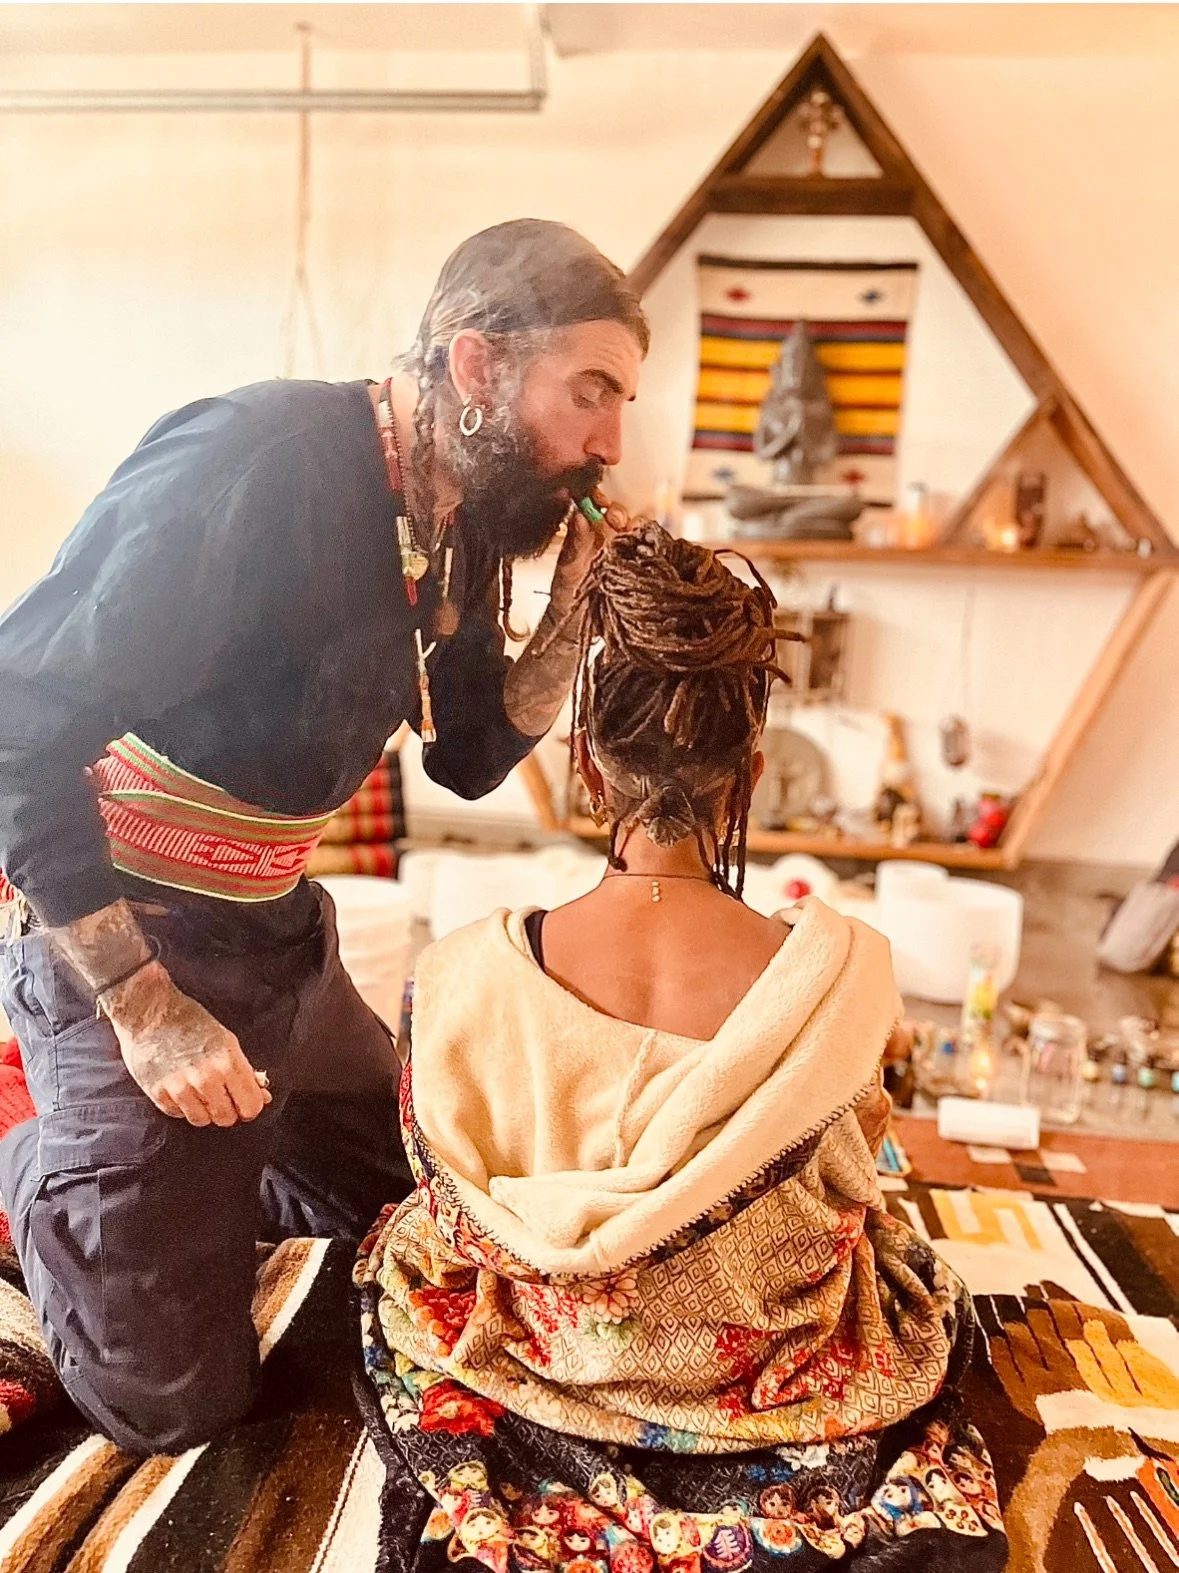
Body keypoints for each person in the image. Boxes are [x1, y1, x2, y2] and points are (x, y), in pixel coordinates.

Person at [0, 219, 648, 1453]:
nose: (610, 440)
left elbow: (462, 756)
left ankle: (197, 1170)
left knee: (420, 1232)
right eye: (592, 391)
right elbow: (15, 714)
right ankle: (36, 1154)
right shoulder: (250, 460)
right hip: (131, 940)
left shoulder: (456, 506)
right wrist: (142, 1005)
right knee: (166, 1398)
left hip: (284, 941)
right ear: (475, 366)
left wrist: (568, 621)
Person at [356, 524, 1007, 1571]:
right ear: (747, 775)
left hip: (539, 1362)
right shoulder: (845, 973)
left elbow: (446, 1192)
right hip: (778, 1382)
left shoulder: (464, 973)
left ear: (588, 767)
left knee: (399, 1250)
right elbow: (854, 1186)